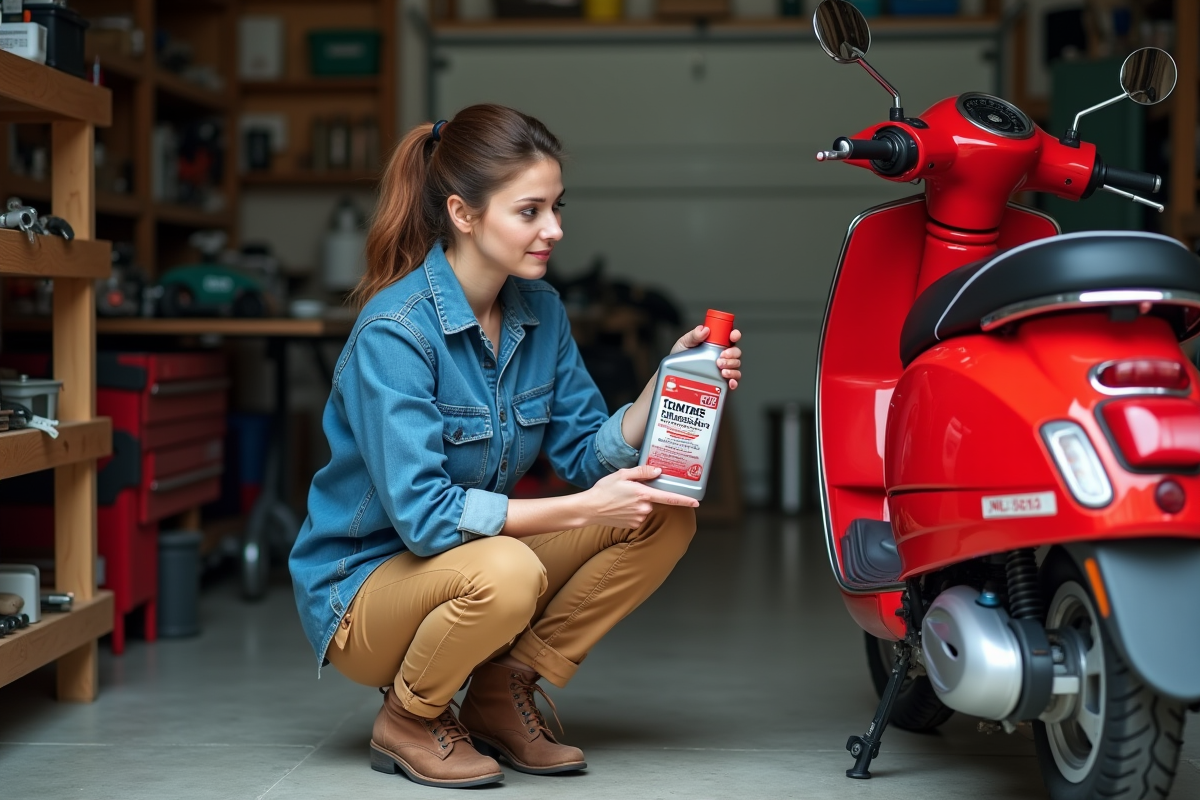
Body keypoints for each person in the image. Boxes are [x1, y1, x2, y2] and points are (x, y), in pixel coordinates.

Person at [288, 104, 743, 789]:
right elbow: (426, 517)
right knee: (507, 570)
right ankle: (410, 716)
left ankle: (502, 694)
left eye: (558, 207)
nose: (555, 230)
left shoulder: (541, 312)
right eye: (530, 211)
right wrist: (584, 512)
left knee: (663, 512)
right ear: (464, 215)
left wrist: (662, 386)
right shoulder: (397, 333)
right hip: (363, 597)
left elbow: (586, 455)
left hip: (467, 564)